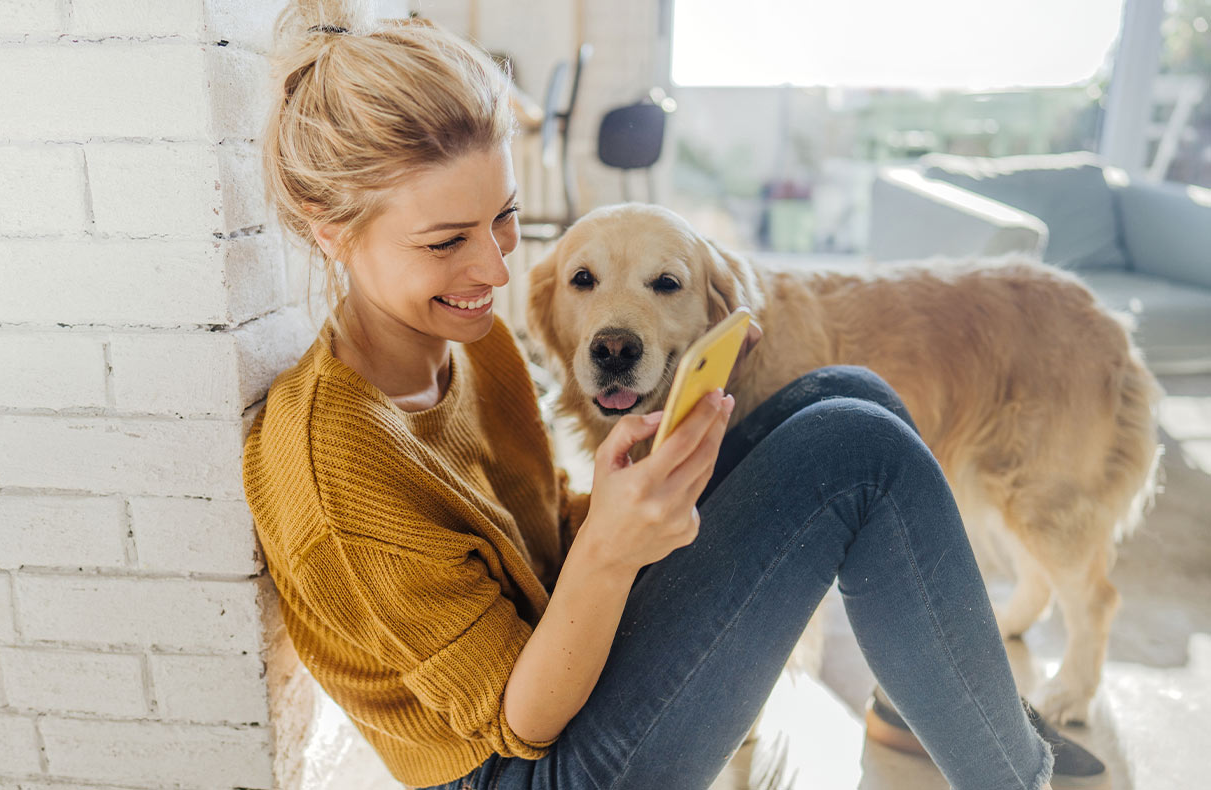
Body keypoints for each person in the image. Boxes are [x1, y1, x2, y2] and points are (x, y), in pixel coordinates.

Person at [243, 2, 1108, 788]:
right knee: (857, 454)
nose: (496, 268)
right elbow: (519, 719)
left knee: (847, 397)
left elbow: (535, 530)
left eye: (503, 218)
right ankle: (1012, 773)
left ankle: (948, 711)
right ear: (334, 237)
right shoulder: (337, 462)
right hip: (525, 766)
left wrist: (625, 509)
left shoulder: (470, 344)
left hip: (564, 676)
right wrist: (616, 547)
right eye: (446, 241)